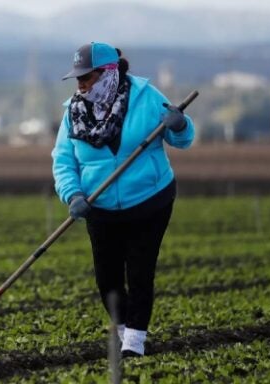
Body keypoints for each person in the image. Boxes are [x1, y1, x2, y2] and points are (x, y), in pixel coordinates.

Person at [52, 42, 194, 357]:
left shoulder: (146, 98)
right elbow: (63, 160)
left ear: (109, 73)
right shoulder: (73, 112)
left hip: (150, 200)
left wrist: (180, 124)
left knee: (140, 270)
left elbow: (182, 139)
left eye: (87, 77)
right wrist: (72, 193)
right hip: (98, 205)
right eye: (78, 79)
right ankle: (122, 329)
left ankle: (134, 343)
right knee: (107, 278)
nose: (81, 85)